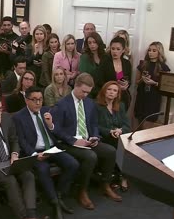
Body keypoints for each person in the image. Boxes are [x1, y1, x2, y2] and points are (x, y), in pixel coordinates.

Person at [51, 73, 122, 210]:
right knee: (91, 156)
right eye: (83, 91)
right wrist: (73, 141)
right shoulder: (62, 104)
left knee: (110, 151)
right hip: (68, 142)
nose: (85, 95)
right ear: (75, 86)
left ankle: (105, 184)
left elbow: (94, 124)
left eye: (88, 92)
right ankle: (82, 191)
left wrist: (95, 137)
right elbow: (56, 130)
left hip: (87, 140)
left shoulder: (90, 103)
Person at [13, 86, 79, 219]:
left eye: (40, 99)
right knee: (43, 170)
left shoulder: (46, 111)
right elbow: (21, 140)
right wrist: (34, 154)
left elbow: (57, 132)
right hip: (35, 152)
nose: (38, 103)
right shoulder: (18, 117)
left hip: (52, 148)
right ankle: (55, 204)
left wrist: (51, 126)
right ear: (27, 100)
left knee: (73, 164)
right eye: (34, 100)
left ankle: (59, 195)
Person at [96, 81, 131, 191]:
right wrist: (109, 131)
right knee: (119, 145)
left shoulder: (121, 105)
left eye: (115, 90)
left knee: (128, 144)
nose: (111, 92)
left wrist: (120, 130)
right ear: (104, 91)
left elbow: (127, 125)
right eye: (109, 89)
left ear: (117, 94)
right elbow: (95, 126)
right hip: (104, 137)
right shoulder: (96, 106)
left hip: (118, 136)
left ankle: (123, 176)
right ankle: (117, 176)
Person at [134, 41, 171, 128]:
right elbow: (136, 82)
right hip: (142, 97)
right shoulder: (143, 65)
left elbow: (165, 86)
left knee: (148, 123)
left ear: (159, 52)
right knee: (139, 122)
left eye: (154, 50)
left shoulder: (163, 67)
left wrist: (154, 83)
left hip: (154, 98)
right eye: (149, 50)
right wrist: (142, 79)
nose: (151, 52)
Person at [99, 37, 132, 110]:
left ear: (123, 50)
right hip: (107, 97)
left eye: (118, 49)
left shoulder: (127, 63)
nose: (115, 52)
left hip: (122, 97)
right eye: (113, 49)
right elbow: (100, 81)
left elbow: (129, 81)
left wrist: (126, 85)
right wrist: (114, 86)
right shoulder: (105, 62)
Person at [79, 32, 107, 98]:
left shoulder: (105, 56)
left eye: (94, 42)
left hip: (103, 89)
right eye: (90, 43)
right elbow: (83, 75)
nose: (92, 45)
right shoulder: (84, 57)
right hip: (89, 90)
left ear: (99, 42)